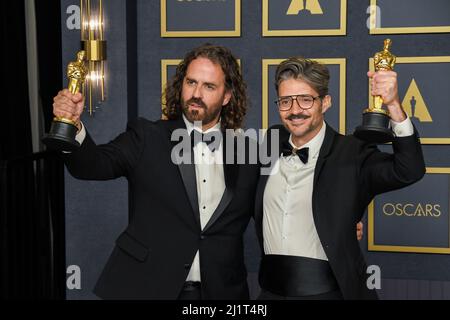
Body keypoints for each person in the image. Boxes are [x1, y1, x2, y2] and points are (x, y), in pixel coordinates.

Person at [53, 44, 364, 300]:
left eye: (209, 86)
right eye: (191, 82)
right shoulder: (147, 137)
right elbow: (91, 165)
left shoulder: (251, 151)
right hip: (147, 287)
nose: (196, 93)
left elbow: (285, 192)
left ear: (227, 96)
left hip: (221, 293)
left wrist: (339, 221)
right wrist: (74, 128)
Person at [254, 57, 425, 300]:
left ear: (325, 103)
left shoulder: (352, 152)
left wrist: (394, 105)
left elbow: (409, 170)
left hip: (330, 293)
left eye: (305, 100)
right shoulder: (270, 143)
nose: (294, 111)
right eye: (285, 101)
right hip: (269, 293)